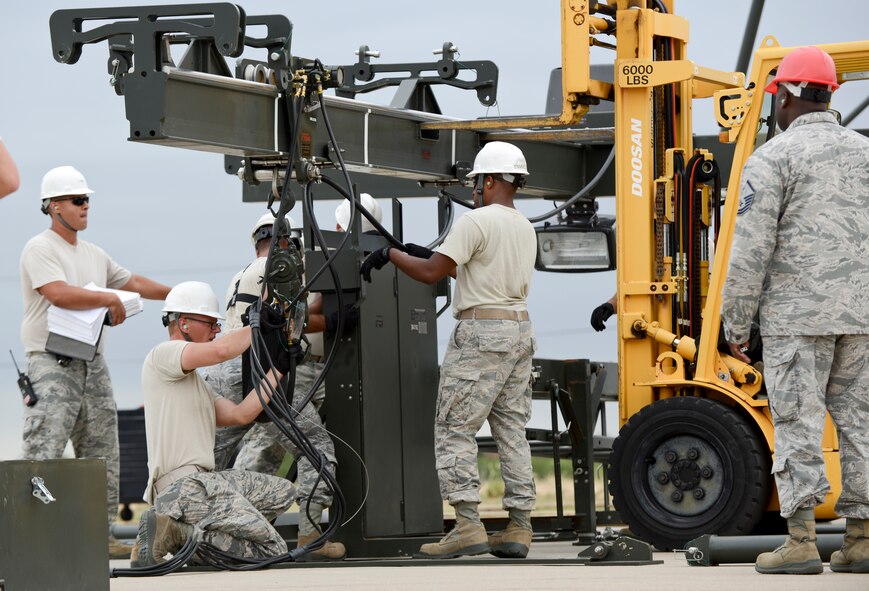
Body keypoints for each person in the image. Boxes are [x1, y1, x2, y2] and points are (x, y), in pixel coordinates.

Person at [721, 46, 869, 575]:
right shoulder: (865, 153)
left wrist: (736, 323)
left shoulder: (774, 158)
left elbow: (750, 250)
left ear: (783, 95)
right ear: (830, 95)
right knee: (861, 427)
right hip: (862, 319)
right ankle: (861, 541)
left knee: (798, 425)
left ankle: (803, 540)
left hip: (797, 319)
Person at [361, 141, 537, 559]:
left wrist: (388, 253)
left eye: (478, 181)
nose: (475, 189)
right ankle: (520, 527)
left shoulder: (475, 222)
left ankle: (467, 526)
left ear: (490, 181)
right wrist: (423, 252)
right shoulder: (523, 227)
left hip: (480, 334)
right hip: (519, 332)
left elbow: (430, 273)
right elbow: (464, 269)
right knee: (511, 429)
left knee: (454, 427)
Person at [19, 165, 171, 559]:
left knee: (102, 454)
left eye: (87, 200)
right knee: (43, 452)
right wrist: (107, 299)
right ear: (54, 207)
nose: (86, 206)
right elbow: (58, 293)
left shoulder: (93, 254)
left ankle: (98, 537)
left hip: (92, 363)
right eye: (78, 200)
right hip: (52, 364)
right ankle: (26, 540)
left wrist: (177, 296)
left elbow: (131, 283)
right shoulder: (40, 248)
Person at [201, 212, 347, 561]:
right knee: (316, 449)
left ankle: (201, 539)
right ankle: (312, 536)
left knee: (208, 463)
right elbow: (292, 322)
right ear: (287, 243)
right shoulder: (281, 270)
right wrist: (333, 318)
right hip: (261, 366)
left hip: (223, 372)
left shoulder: (241, 275)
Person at [132, 281, 296, 567]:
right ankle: (175, 532)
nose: (216, 330)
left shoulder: (195, 384)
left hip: (202, 483)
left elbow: (241, 414)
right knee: (272, 551)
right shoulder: (164, 354)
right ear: (183, 323)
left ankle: (194, 540)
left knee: (283, 492)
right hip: (183, 488)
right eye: (210, 323)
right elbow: (221, 352)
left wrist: (279, 369)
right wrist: (256, 326)